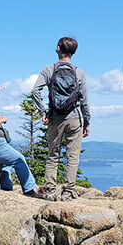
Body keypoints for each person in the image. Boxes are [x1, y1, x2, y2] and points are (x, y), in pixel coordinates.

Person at [31, 36, 91, 198]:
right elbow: (84, 99)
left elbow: (35, 91)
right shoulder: (79, 72)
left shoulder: (49, 69)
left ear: (58, 48)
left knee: (52, 155)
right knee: (72, 156)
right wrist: (87, 121)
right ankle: (68, 192)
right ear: (74, 52)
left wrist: (43, 112)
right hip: (75, 118)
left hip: (55, 118)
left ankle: (50, 191)